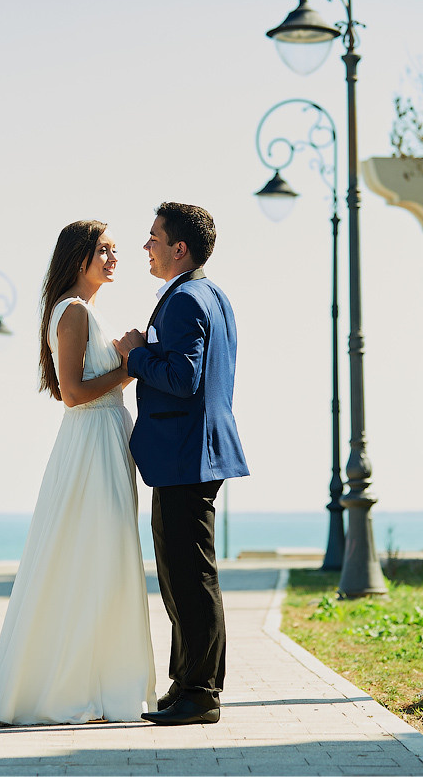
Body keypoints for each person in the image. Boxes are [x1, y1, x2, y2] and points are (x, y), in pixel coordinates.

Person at [0, 220, 156, 727]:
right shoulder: (74, 313)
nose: (114, 258)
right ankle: (76, 691)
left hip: (105, 442)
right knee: (92, 558)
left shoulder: (86, 312)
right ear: (79, 257)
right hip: (90, 447)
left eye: (116, 250)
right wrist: (131, 362)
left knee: (102, 559)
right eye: (104, 250)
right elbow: (73, 392)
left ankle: (98, 686)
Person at [114, 202, 249, 726]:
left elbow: (184, 378)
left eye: (153, 238)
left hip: (186, 456)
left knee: (188, 577)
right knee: (184, 574)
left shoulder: (185, 300)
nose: (146, 246)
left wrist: (135, 353)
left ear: (179, 248)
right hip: (193, 453)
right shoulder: (210, 295)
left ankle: (200, 693)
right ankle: (186, 683)